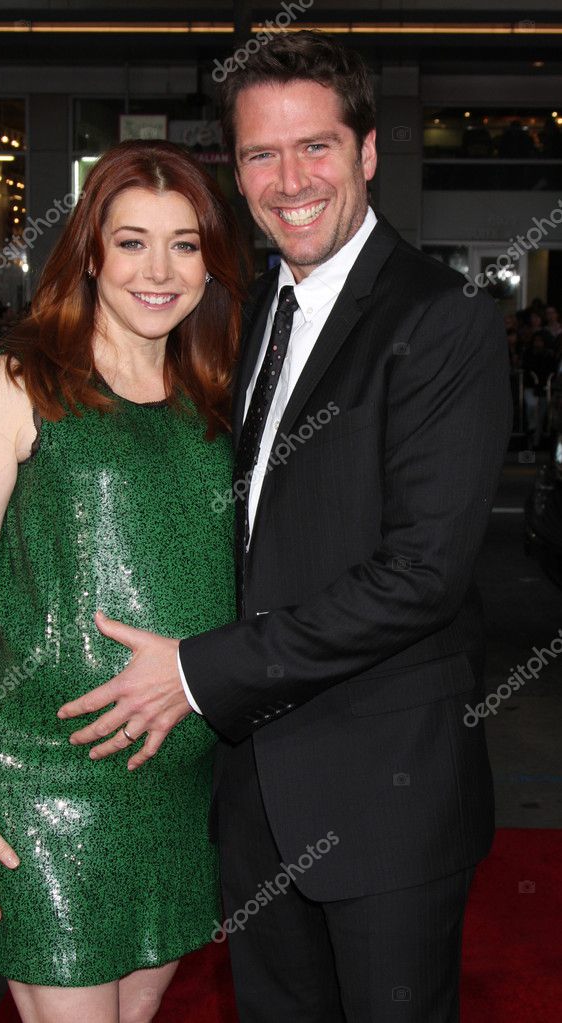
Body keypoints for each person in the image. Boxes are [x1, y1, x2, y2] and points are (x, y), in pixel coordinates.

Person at [59, 32, 513, 1023]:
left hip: (385, 794)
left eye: (315, 147)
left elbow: (421, 573)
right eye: (261, 154)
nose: (290, 179)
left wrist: (195, 671)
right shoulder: (247, 307)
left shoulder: (443, 319)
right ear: (237, 171)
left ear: (368, 152)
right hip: (254, 793)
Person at [0, 140, 244, 1023]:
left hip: (177, 784)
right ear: (91, 253)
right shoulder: (17, 384)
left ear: (210, 261)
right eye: (132, 241)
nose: (159, 270)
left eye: (184, 244)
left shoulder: (215, 392)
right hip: (41, 776)